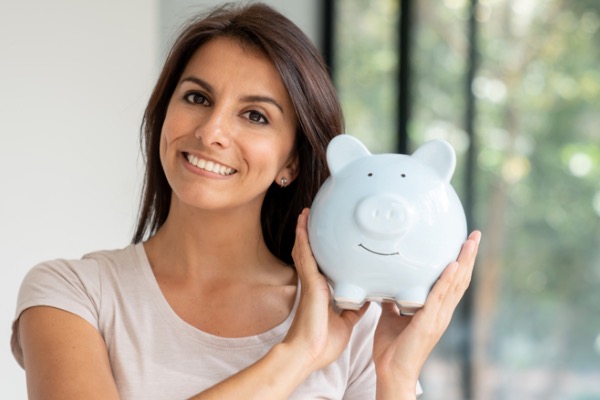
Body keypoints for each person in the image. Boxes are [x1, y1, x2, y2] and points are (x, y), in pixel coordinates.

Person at [11, 3, 481, 399]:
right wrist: (296, 356)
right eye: (196, 97)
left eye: (254, 115)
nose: (211, 132)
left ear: (290, 163)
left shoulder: (353, 325)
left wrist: (396, 377)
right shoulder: (72, 294)